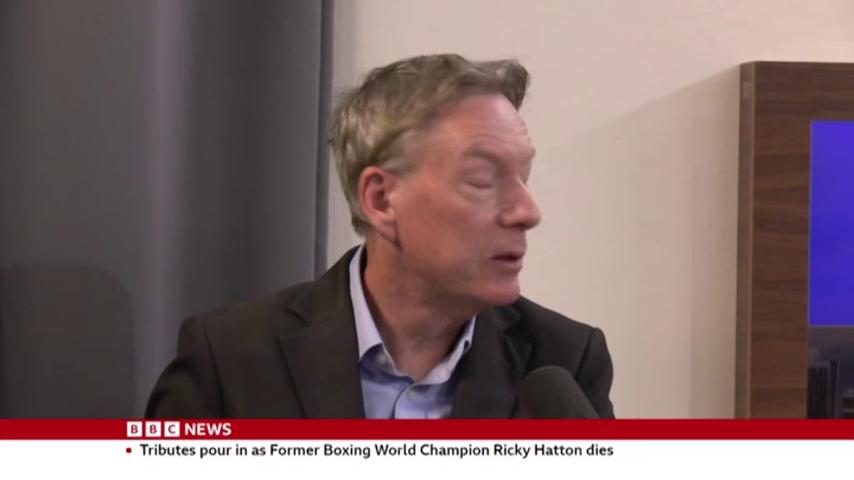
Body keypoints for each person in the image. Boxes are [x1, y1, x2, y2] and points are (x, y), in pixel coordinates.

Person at [146, 54, 614, 419]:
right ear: (381, 198)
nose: (527, 212)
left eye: (524, 178)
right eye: (482, 180)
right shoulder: (230, 359)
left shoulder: (565, 362)